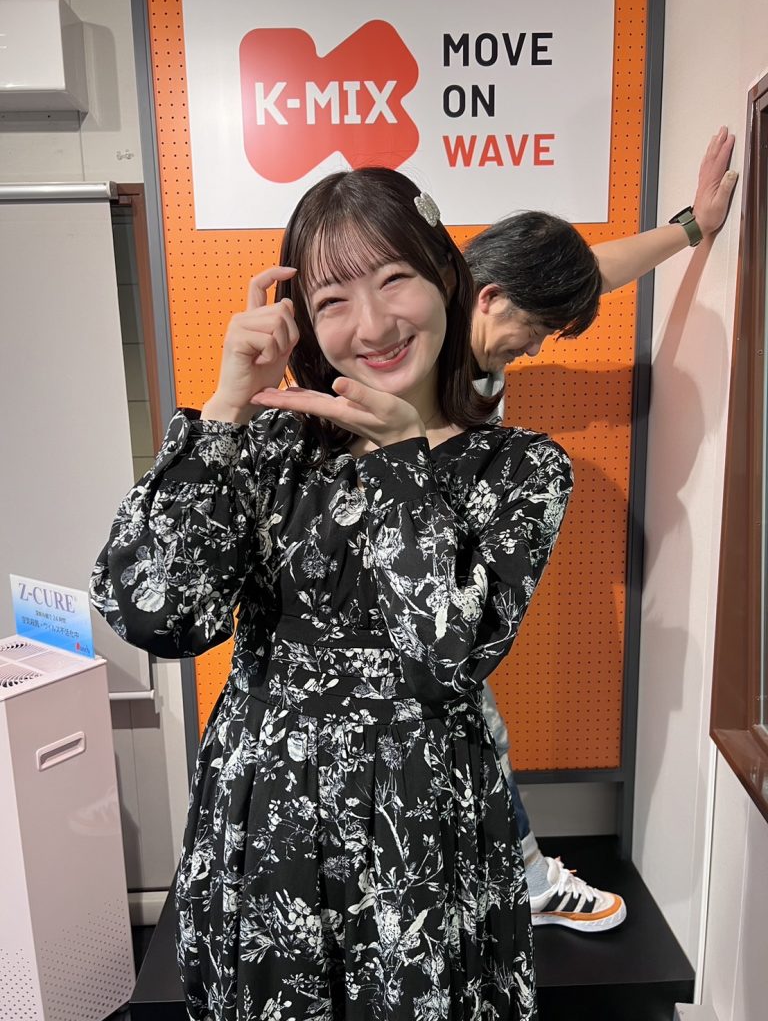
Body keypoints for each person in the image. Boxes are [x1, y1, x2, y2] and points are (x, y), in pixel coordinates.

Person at [91, 167, 573, 1021]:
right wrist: (226, 407)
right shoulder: (271, 445)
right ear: (303, 320)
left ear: (447, 278)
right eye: (333, 299)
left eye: (395, 279)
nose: (374, 324)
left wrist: (400, 464)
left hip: (423, 829)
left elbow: (445, 659)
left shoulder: (520, 469)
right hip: (267, 817)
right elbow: (155, 611)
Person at [464, 126, 738, 930]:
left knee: (473, 725)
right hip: (397, 583)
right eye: (537, 330)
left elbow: (597, 270)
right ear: (492, 298)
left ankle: (518, 881)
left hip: (436, 582)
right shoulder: (420, 349)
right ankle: (522, 886)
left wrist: (692, 227)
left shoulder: (472, 312)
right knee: (467, 725)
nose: (537, 348)